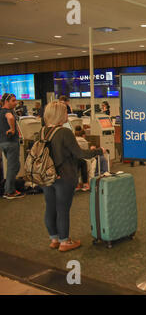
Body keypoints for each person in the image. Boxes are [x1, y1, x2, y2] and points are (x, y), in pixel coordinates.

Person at [42, 101, 104, 252]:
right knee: (63, 209)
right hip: (64, 176)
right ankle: (65, 242)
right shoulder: (64, 132)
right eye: (64, 112)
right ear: (59, 114)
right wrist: (98, 151)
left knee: (50, 207)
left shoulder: (43, 131)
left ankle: (54, 239)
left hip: (47, 174)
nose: (67, 115)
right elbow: (80, 153)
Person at [0, 93, 25, 199]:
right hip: (11, 143)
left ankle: (9, 188)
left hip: (3, 142)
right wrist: (13, 129)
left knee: (15, 166)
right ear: (6, 101)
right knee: (12, 167)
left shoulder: (1, 112)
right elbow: (10, 118)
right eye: (13, 101)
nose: (15, 103)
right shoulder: (7, 112)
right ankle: (9, 191)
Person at [74, 126, 91, 191]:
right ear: (83, 135)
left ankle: (77, 184)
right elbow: (86, 153)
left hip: (70, 159)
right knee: (85, 162)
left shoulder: (73, 139)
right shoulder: (83, 141)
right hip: (78, 159)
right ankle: (85, 183)